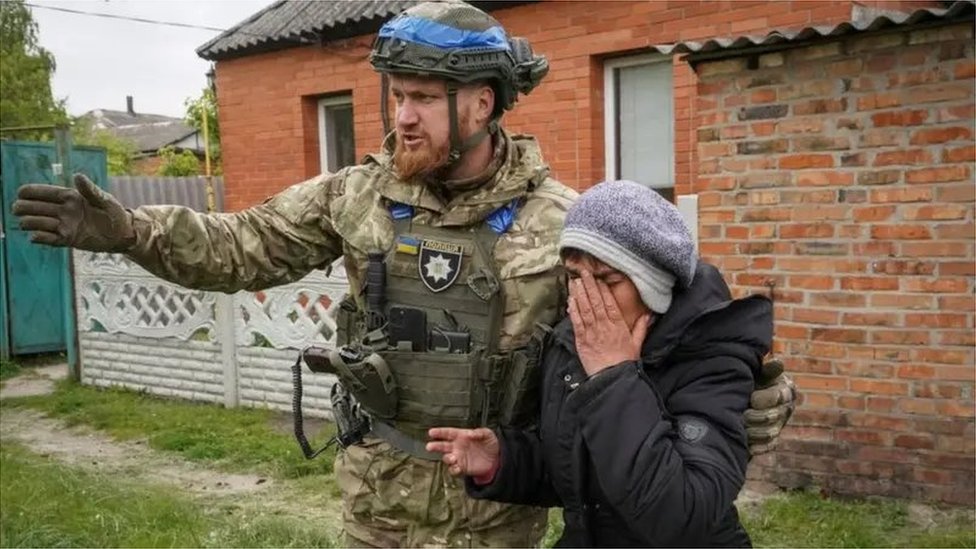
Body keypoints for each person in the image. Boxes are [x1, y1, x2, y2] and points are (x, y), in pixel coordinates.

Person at [11, 2, 794, 547]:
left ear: (481, 104)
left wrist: (750, 395)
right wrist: (131, 232)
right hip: (377, 501)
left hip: (496, 512)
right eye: (398, 96)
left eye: (423, 98)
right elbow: (240, 244)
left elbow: (663, 326)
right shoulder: (356, 196)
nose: (402, 116)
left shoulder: (563, 220)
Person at [427, 180, 771, 547]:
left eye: (607, 279)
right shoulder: (573, 343)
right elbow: (579, 472)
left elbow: (682, 514)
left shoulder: (712, 357)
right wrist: (504, 460)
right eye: (575, 277)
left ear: (652, 283)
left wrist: (613, 377)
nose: (584, 296)